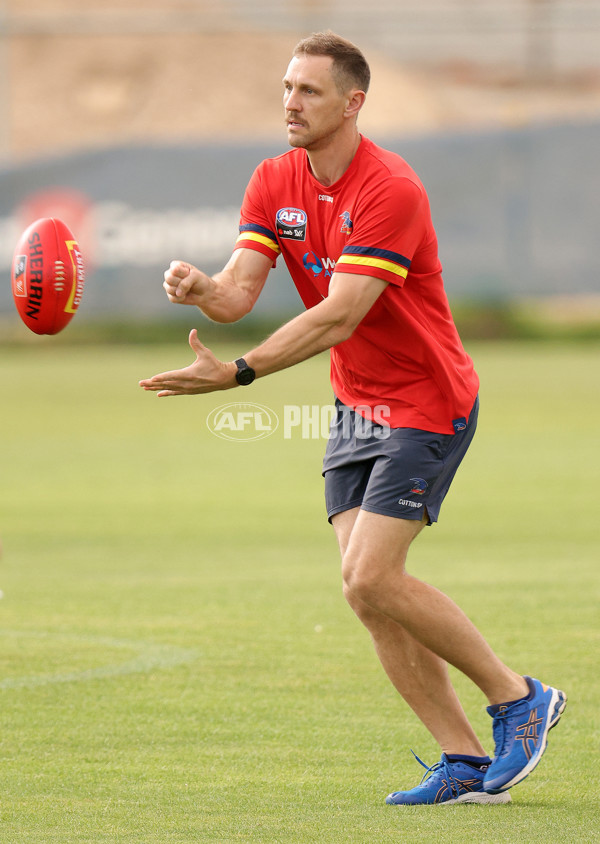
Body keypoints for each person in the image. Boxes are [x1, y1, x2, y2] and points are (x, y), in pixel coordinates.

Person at [140, 31, 566, 806]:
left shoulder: (391, 189)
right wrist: (203, 288)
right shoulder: (274, 179)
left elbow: (338, 316)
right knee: (363, 588)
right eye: (286, 87)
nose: (290, 103)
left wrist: (238, 374)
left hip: (428, 399)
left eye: (308, 91)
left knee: (373, 572)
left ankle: (518, 699)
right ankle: (464, 761)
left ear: (353, 102)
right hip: (358, 405)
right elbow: (240, 293)